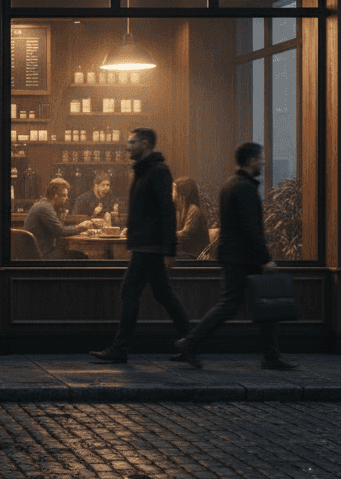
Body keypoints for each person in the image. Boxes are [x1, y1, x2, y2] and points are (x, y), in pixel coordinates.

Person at [174, 142, 298, 370]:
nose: (262, 162)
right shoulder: (245, 188)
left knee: (243, 304)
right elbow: (251, 228)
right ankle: (192, 342)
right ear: (250, 160)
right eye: (260, 158)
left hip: (234, 256)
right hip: (245, 257)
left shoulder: (230, 184)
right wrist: (265, 258)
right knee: (250, 304)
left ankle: (193, 342)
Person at [90, 128, 194, 363]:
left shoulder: (157, 171)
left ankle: (120, 349)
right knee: (163, 294)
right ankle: (191, 342)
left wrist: (169, 249)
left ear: (146, 144)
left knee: (130, 292)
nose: (127, 146)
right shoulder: (144, 170)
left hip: (149, 245)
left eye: (132, 142)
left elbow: (167, 211)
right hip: (146, 244)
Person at [23, 179, 93, 259]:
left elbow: (59, 228)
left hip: (39, 252)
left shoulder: (44, 204)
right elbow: (61, 231)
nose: (66, 198)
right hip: (42, 255)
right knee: (82, 257)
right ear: (56, 196)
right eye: (64, 195)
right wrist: (81, 227)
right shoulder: (45, 208)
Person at [173, 176, 210, 259]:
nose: (170, 192)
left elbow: (185, 234)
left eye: (173, 189)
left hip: (194, 255)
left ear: (182, 191)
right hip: (183, 252)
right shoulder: (178, 211)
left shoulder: (194, 210)